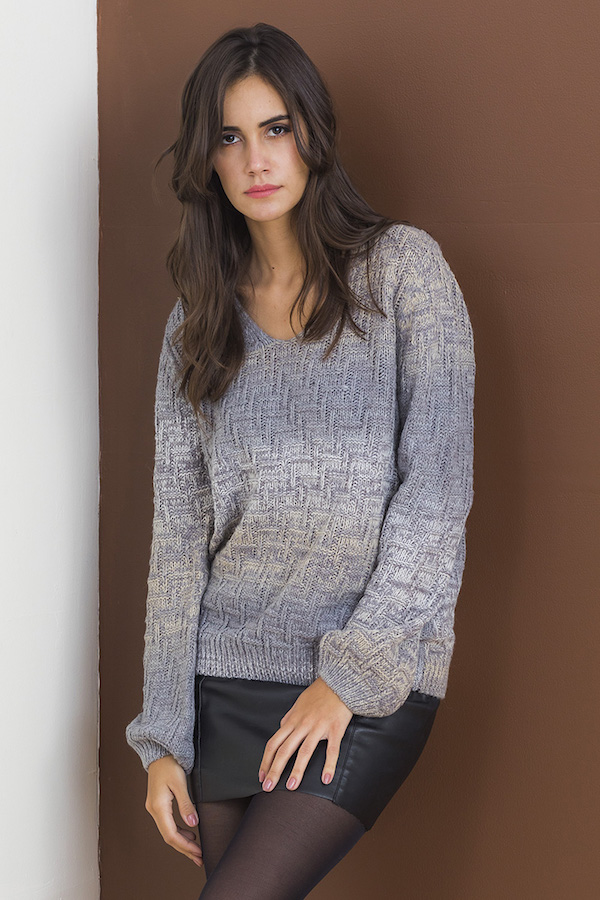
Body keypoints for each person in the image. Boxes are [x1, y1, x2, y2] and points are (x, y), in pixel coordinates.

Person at [125, 21, 475, 900]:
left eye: (276, 128)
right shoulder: (196, 322)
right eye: (229, 137)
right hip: (223, 678)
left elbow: (437, 493)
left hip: (366, 674)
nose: (256, 159)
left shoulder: (403, 274)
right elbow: (178, 544)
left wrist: (345, 678)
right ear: (206, 159)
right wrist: (163, 738)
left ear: (312, 131)